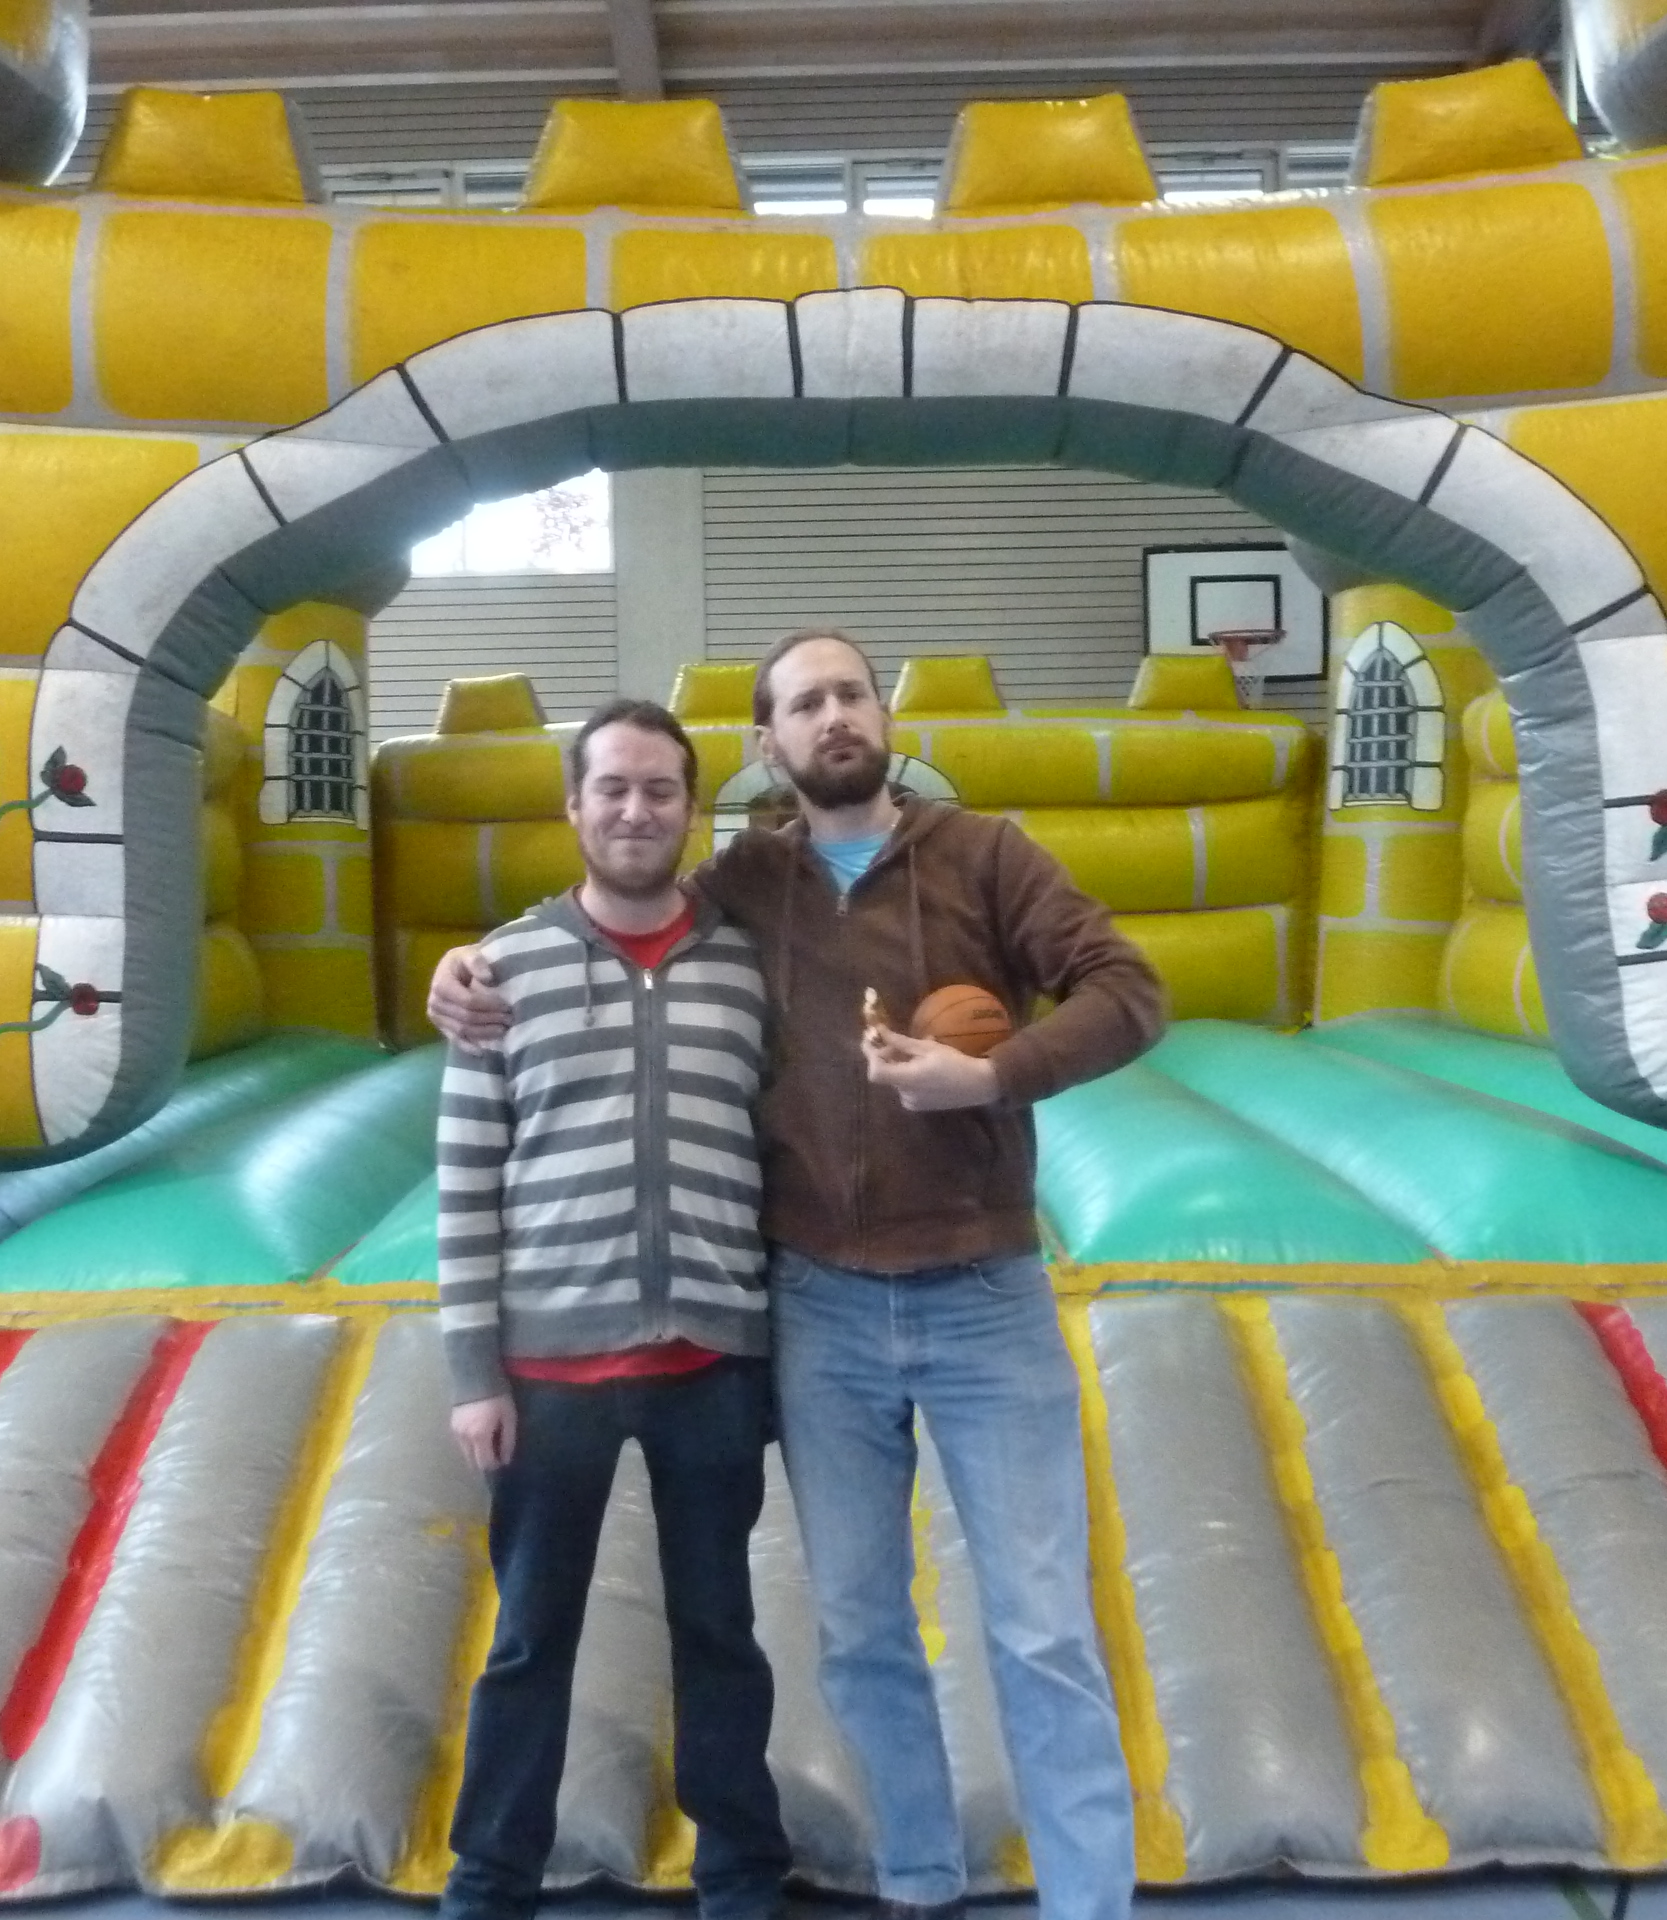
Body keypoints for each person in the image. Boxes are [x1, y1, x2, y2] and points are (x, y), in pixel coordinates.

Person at [431, 632, 1165, 1920]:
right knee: (857, 1630)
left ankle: (1083, 1901)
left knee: (1040, 1628)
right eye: (804, 703)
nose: (834, 717)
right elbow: (607, 903)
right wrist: (462, 967)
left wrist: (994, 1075)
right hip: (816, 1304)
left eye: (851, 694)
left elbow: (1130, 989)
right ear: (767, 746)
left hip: (974, 1295)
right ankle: (919, 1880)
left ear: (883, 716)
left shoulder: (984, 855)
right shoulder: (745, 883)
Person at [435, 697, 789, 1920]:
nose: (636, 811)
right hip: (548, 1377)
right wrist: (472, 1372)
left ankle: (740, 1872)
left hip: (712, 1366)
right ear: (573, 806)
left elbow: (780, 1153)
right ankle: (492, 1878)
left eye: (660, 790)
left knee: (720, 1628)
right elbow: (467, 1175)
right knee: (530, 1637)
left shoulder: (746, 965)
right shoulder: (499, 971)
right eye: (613, 788)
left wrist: (772, 1353)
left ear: (691, 811)